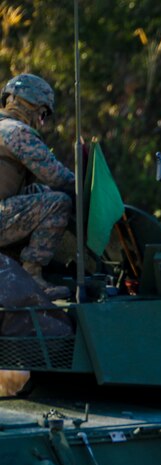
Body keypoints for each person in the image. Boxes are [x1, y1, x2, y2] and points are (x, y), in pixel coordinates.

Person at [0, 73, 75, 299]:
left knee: (38, 192)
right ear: (32, 106)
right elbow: (57, 177)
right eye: (42, 114)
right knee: (58, 203)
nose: (41, 122)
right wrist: (86, 191)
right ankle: (31, 276)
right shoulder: (16, 132)